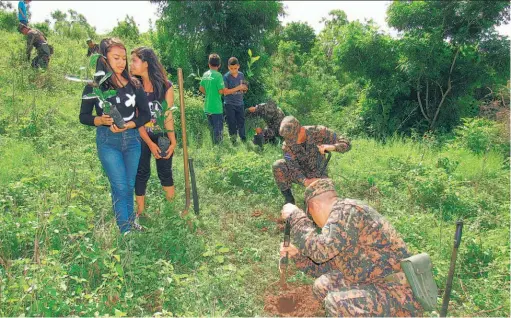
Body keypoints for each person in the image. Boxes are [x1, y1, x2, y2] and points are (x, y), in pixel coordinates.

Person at [280, 178, 424, 316]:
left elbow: (320, 251)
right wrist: (297, 255)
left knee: (336, 303)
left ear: (315, 206)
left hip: (398, 294)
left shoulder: (347, 211)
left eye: (311, 216)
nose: (315, 223)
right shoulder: (339, 227)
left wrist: (296, 217)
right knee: (322, 285)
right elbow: (324, 267)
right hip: (374, 282)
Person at [79, 38, 151, 234]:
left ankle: (129, 222)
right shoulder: (95, 86)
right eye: (116, 58)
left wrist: (129, 124)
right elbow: (83, 116)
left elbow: (145, 114)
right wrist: (99, 121)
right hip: (108, 141)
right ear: (104, 59)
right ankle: (125, 231)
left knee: (128, 185)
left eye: (124, 58)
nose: (121, 63)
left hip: (132, 141)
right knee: (119, 185)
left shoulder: (135, 84)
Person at [130, 47, 176, 220]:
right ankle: (141, 212)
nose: (131, 64)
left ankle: (171, 212)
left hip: (162, 134)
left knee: (165, 172)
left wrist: (172, 141)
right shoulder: (134, 86)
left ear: (146, 64)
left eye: (134, 60)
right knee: (141, 172)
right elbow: (137, 119)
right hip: (142, 136)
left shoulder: (166, 86)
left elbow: (168, 115)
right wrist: (150, 143)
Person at [273, 116, 351, 205]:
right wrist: (305, 181)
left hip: (319, 172)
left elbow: (346, 143)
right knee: (278, 165)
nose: (292, 142)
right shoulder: (287, 145)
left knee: (324, 201)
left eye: (294, 139)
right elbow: (293, 168)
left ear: (301, 130)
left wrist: (332, 147)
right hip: (301, 173)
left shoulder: (319, 132)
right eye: (289, 140)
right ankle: (289, 200)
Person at [199, 53, 225, 144]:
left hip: (207, 107)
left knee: (212, 130)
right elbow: (221, 91)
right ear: (219, 65)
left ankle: (214, 147)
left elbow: (201, 88)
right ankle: (219, 150)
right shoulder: (218, 75)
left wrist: (209, 93)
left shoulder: (205, 74)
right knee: (218, 131)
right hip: (216, 108)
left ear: (209, 64)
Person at [222, 57, 248, 144]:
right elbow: (225, 92)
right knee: (232, 123)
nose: (233, 70)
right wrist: (238, 88)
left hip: (240, 103)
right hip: (229, 103)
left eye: (235, 68)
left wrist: (244, 89)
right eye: (231, 68)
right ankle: (233, 141)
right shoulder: (226, 77)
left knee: (241, 122)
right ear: (228, 67)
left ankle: (243, 140)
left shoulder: (241, 75)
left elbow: (243, 87)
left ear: (238, 66)